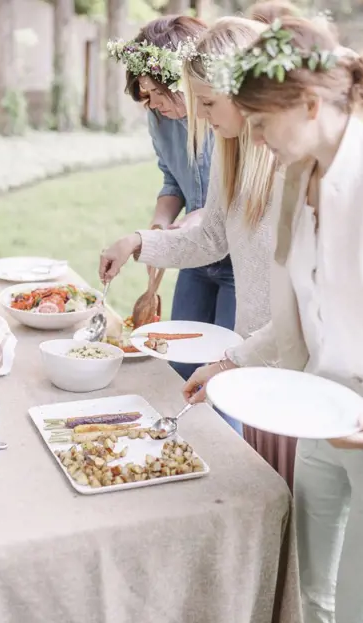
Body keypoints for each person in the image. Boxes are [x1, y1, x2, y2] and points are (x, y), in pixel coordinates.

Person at [200, 15, 363, 623]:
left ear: (310, 106)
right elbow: (290, 323)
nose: (252, 137)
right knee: (313, 596)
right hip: (319, 414)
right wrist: (230, 361)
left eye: (260, 122)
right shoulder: (290, 186)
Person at [101, 16, 278, 439]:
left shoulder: (283, 169)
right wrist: (141, 240)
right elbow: (212, 233)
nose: (197, 113)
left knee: (235, 403)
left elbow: (297, 308)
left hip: (281, 355)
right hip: (248, 332)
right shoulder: (228, 147)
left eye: (207, 103)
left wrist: (236, 359)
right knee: (188, 371)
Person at [107, 16, 236, 382]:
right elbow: (173, 181)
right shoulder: (160, 119)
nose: (149, 104)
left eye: (153, 93)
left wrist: (193, 222)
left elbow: (235, 201)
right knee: (179, 364)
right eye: (142, 95)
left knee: (222, 376)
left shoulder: (224, 120)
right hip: (192, 257)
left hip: (237, 264)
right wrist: (160, 227)